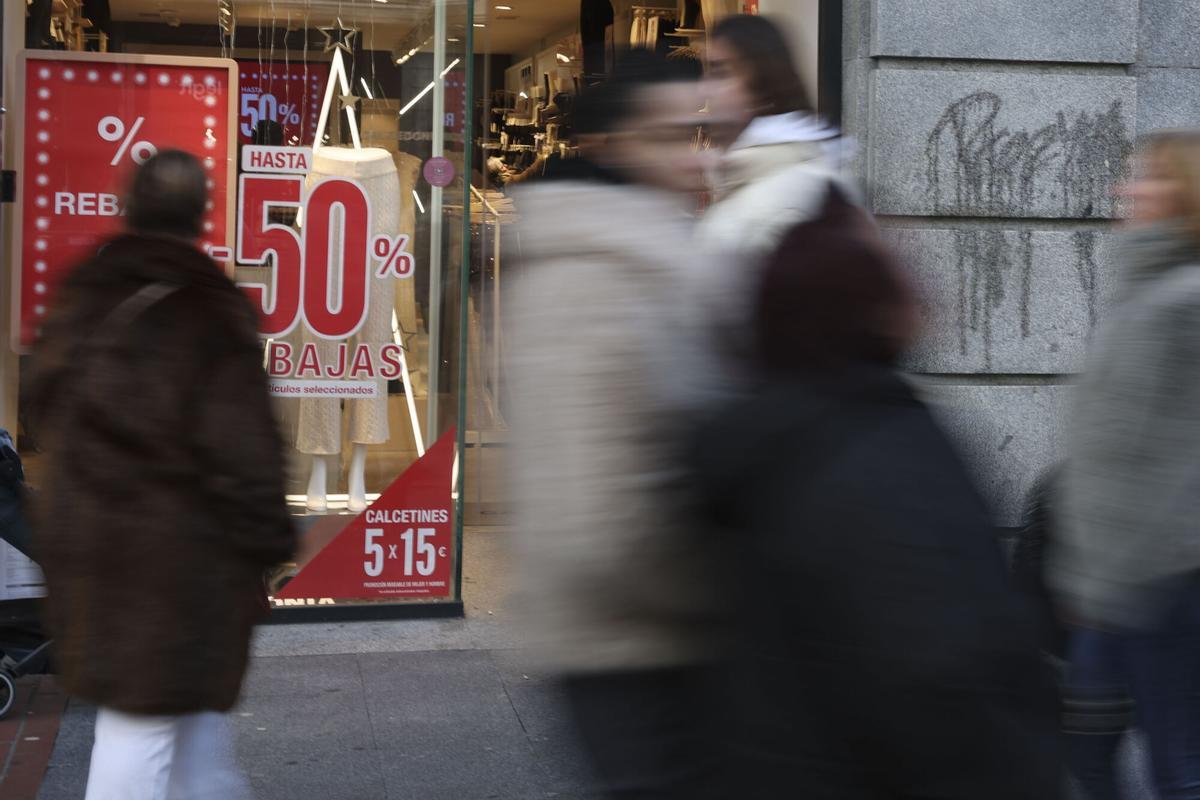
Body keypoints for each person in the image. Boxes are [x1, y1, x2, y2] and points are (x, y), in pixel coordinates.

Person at [693, 187, 1062, 799]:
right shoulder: (880, 453)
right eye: (889, 263)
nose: (917, 282)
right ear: (864, 306)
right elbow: (940, 670)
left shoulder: (765, 439)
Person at [29, 151, 295, 800]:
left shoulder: (83, 292)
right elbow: (245, 452)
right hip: (173, 566)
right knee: (144, 724)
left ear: (129, 208)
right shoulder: (209, 310)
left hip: (89, 542)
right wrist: (271, 539)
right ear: (201, 215)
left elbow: (38, 408)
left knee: (187, 731)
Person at [506, 52, 724, 799]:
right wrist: (723, 587)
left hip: (659, 632)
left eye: (699, 133)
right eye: (671, 137)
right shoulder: (590, 272)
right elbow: (593, 519)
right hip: (631, 642)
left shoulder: (653, 249)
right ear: (613, 145)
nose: (695, 157)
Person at [1048, 130, 1200, 800]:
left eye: (1149, 177)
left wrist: (1122, 575)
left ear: (1185, 195)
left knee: (1176, 764)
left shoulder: (1186, 302)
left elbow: (1174, 461)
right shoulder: (1140, 293)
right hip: (1111, 581)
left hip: (1161, 581)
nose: (1127, 189)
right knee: (1087, 751)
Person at [695, 14, 846, 371]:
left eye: (720, 72)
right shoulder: (754, 179)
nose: (704, 91)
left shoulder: (790, 194)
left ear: (763, 80)